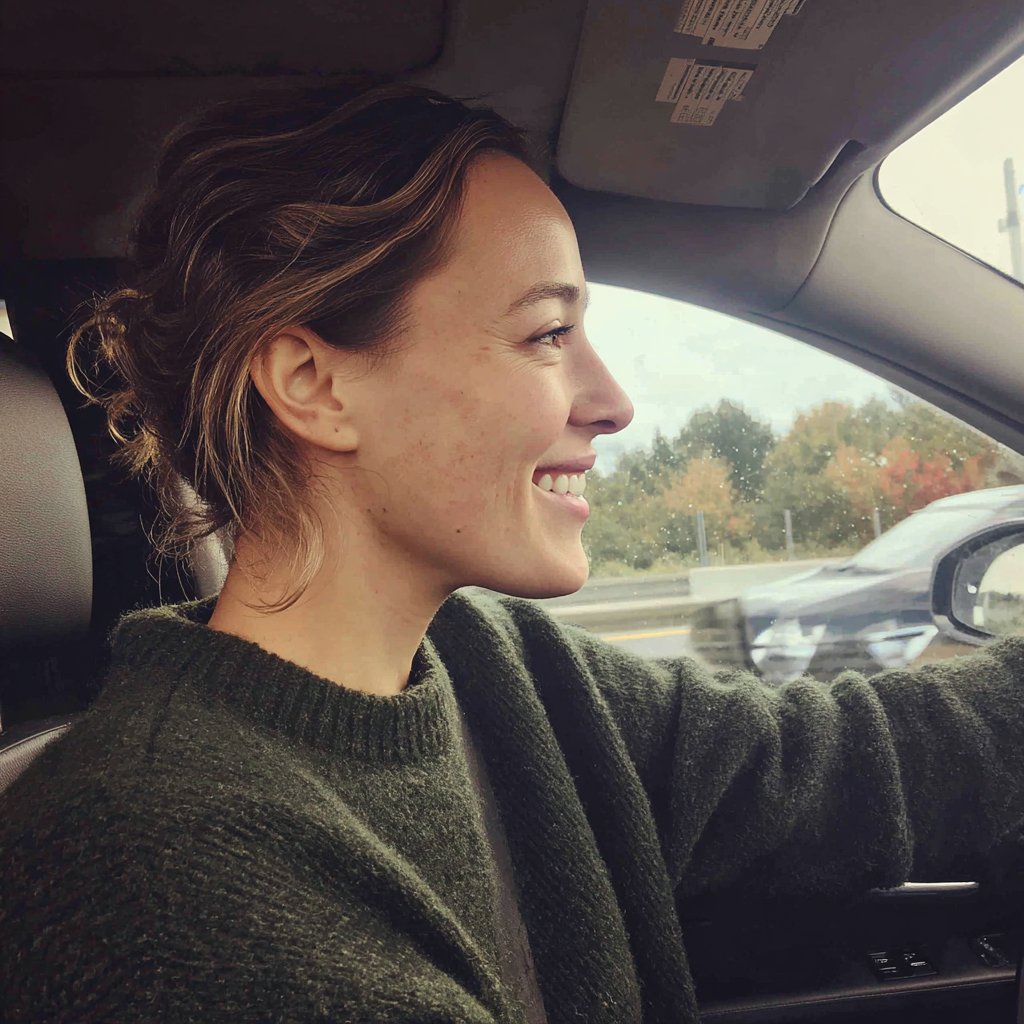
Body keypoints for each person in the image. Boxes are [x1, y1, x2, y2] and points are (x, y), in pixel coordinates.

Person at [3, 80, 1024, 1024]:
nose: (612, 402)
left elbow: (855, 760)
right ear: (314, 383)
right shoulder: (156, 870)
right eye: (546, 334)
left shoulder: (501, 670)